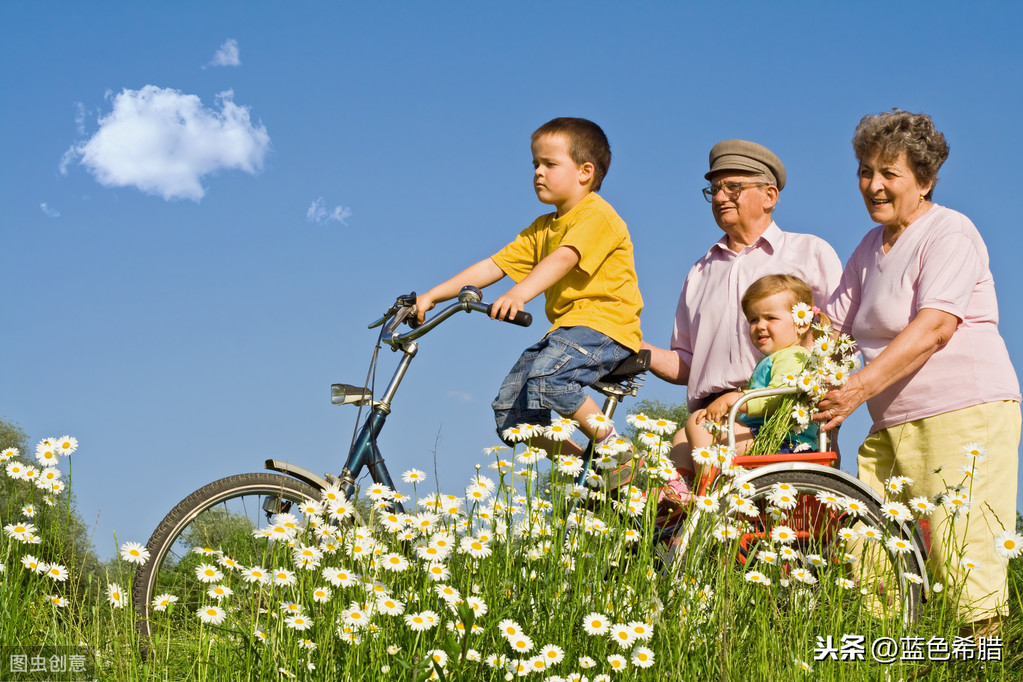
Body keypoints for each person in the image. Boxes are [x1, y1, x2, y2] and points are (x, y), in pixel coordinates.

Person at [817, 109, 1021, 630]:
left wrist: (855, 389)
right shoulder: (867, 249)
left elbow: (935, 327)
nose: (873, 185)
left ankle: (983, 662)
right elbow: (829, 334)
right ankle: (890, 659)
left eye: (889, 173)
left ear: (925, 180)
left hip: (963, 412)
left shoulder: (950, 231)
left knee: (963, 551)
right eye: (865, 171)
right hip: (891, 422)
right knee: (868, 550)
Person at [415, 117, 642, 455]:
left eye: (550, 164)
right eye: (535, 164)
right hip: (567, 332)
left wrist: (519, 293)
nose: (538, 172)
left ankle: (618, 452)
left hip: (604, 328)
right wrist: (432, 295)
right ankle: (584, 470)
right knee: (511, 414)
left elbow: (564, 258)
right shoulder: (541, 228)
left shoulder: (597, 215)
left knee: (550, 379)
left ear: (585, 172)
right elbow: (494, 265)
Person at [642, 140, 842, 465]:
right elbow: (689, 362)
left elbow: (839, 339)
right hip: (711, 416)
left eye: (733, 188)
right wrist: (636, 348)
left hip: (782, 411)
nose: (720, 197)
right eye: (715, 189)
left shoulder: (811, 253)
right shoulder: (699, 272)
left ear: (769, 196)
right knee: (666, 488)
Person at [665, 275, 825, 501]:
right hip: (762, 435)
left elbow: (781, 395)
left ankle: (708, 491)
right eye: (753, 319)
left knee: (698, 423)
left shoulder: (794, 356)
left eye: (771, 318)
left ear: (801, 323)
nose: (760, 326)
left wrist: (736, 399)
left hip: (783, 443)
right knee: (683, 435)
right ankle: (680, 484)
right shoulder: (775, 357)